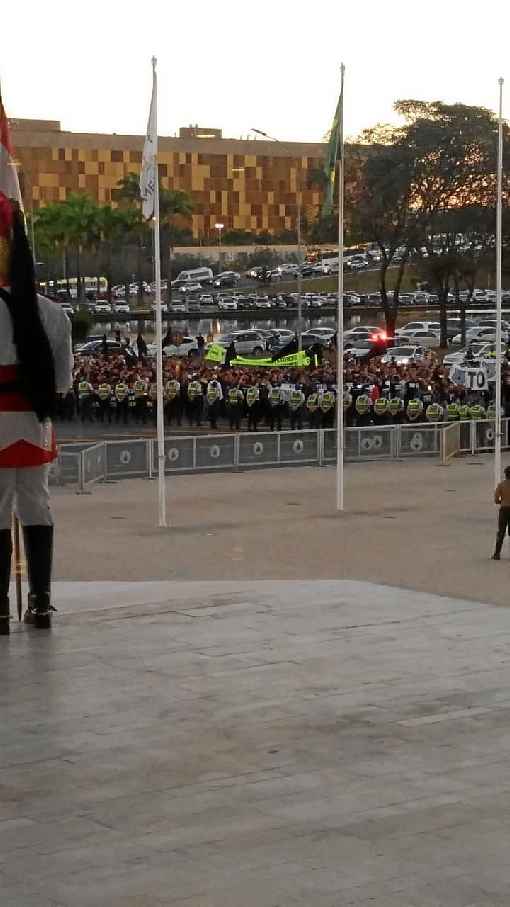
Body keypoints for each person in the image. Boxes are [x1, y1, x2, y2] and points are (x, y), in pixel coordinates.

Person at [0, 196, 73, 632]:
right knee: (37, 507)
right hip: (35, 425)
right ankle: (41, 603)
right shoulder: (53, 313)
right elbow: (61, 383)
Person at [492, 465, 510, 560]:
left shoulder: (501, 485)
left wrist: (501, 502)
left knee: (501, 532)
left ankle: (497, 554)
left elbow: (496, 499)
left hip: (504, 510)